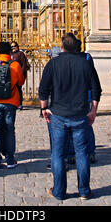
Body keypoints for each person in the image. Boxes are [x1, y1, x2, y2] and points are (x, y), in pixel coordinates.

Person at [39, 32, 102, 201]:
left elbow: (43, 89)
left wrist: (44, 108)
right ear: (76, 47)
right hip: (80, 115)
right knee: (82, 154)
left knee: (58, 155)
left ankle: (59, 191)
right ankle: (84, 190)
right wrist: (93, 110)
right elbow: (96, 89)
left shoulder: (53, 64)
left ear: (61, 47)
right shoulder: (85, 64)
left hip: (58, 115)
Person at [0, 42, 25, 169]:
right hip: (10, 101)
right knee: (9, 129)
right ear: (10, 52)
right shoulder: (14, 65)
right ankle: (9, 160)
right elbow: (21, 81)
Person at [66, 39, 97, 164]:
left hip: (72, 97)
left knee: (69, 127)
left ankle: (72, 153)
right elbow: (94, 81)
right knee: (87, 125)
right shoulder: (87, 58)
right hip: (86, 96)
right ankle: (90, 152)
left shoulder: (68, 60)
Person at [10, 41, 30, 110]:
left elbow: (24, 65)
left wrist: (20, 74)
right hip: (12, 75)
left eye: (14, 46)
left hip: (19, 75)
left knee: (18, 89)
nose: (13, 47)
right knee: (12, 89)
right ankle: (13, 103)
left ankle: (20, 104)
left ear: (17, 46)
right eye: (11, 46)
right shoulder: (10, 54)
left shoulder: (21, 54)